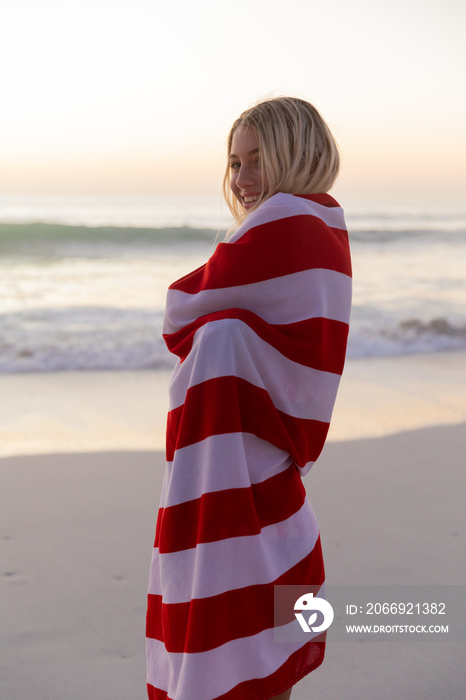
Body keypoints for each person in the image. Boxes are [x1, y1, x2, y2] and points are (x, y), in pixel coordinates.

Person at [146, 96, 352, 700]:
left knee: (226, 670)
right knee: (259, 670)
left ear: (299, 156)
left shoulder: (290, 220)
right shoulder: (324, 232)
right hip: (262, 508)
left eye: (261, 158)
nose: (245, 179)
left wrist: (217, 326)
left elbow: (179, 308)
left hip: (234, 515)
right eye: (236, 163)